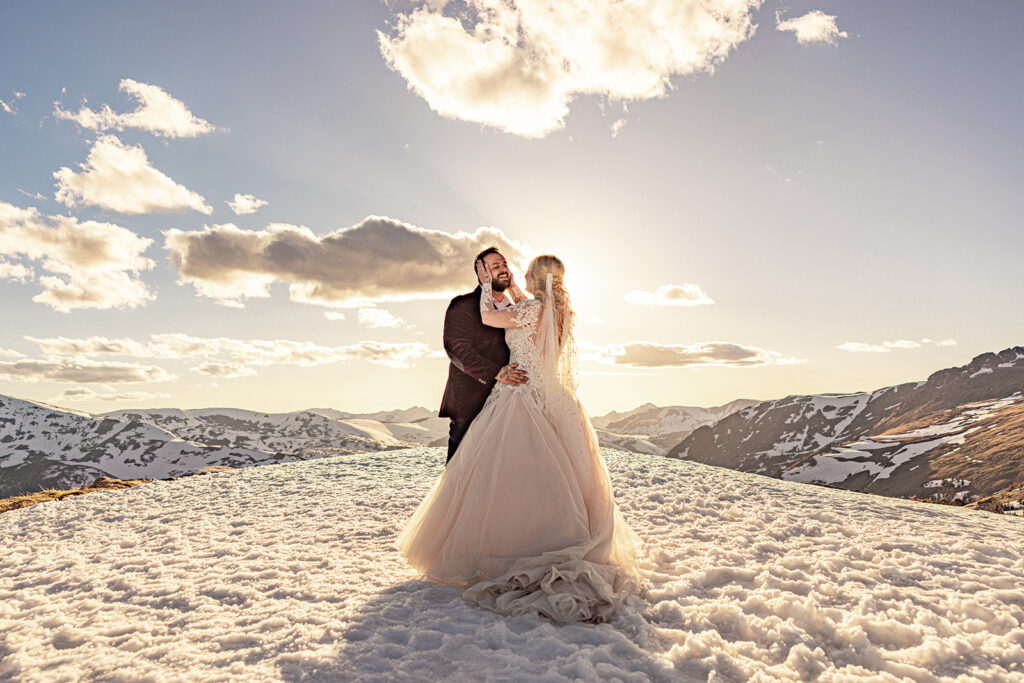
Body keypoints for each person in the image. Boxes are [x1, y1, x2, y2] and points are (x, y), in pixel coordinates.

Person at [397, 254, 645, 624]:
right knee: (555, 476)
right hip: (552, 395)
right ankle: (556, 533)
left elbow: (490, 317)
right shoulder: (555, 311)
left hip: (522, 394)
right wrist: (507, 285)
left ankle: (507, 545)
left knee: (511, 475)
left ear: (538, 277)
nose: (518, 273)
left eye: (525, 271)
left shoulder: (529, 309)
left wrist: (486, 282)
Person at [438, 247, 528, 465]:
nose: (503, 269)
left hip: (510, 401)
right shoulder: (463, 304)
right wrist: (496, 372)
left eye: (505, 264)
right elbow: (456, 348)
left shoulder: (518, 307)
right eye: (495, 266)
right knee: (461, 469)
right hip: (471, 401)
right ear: (482, 273)